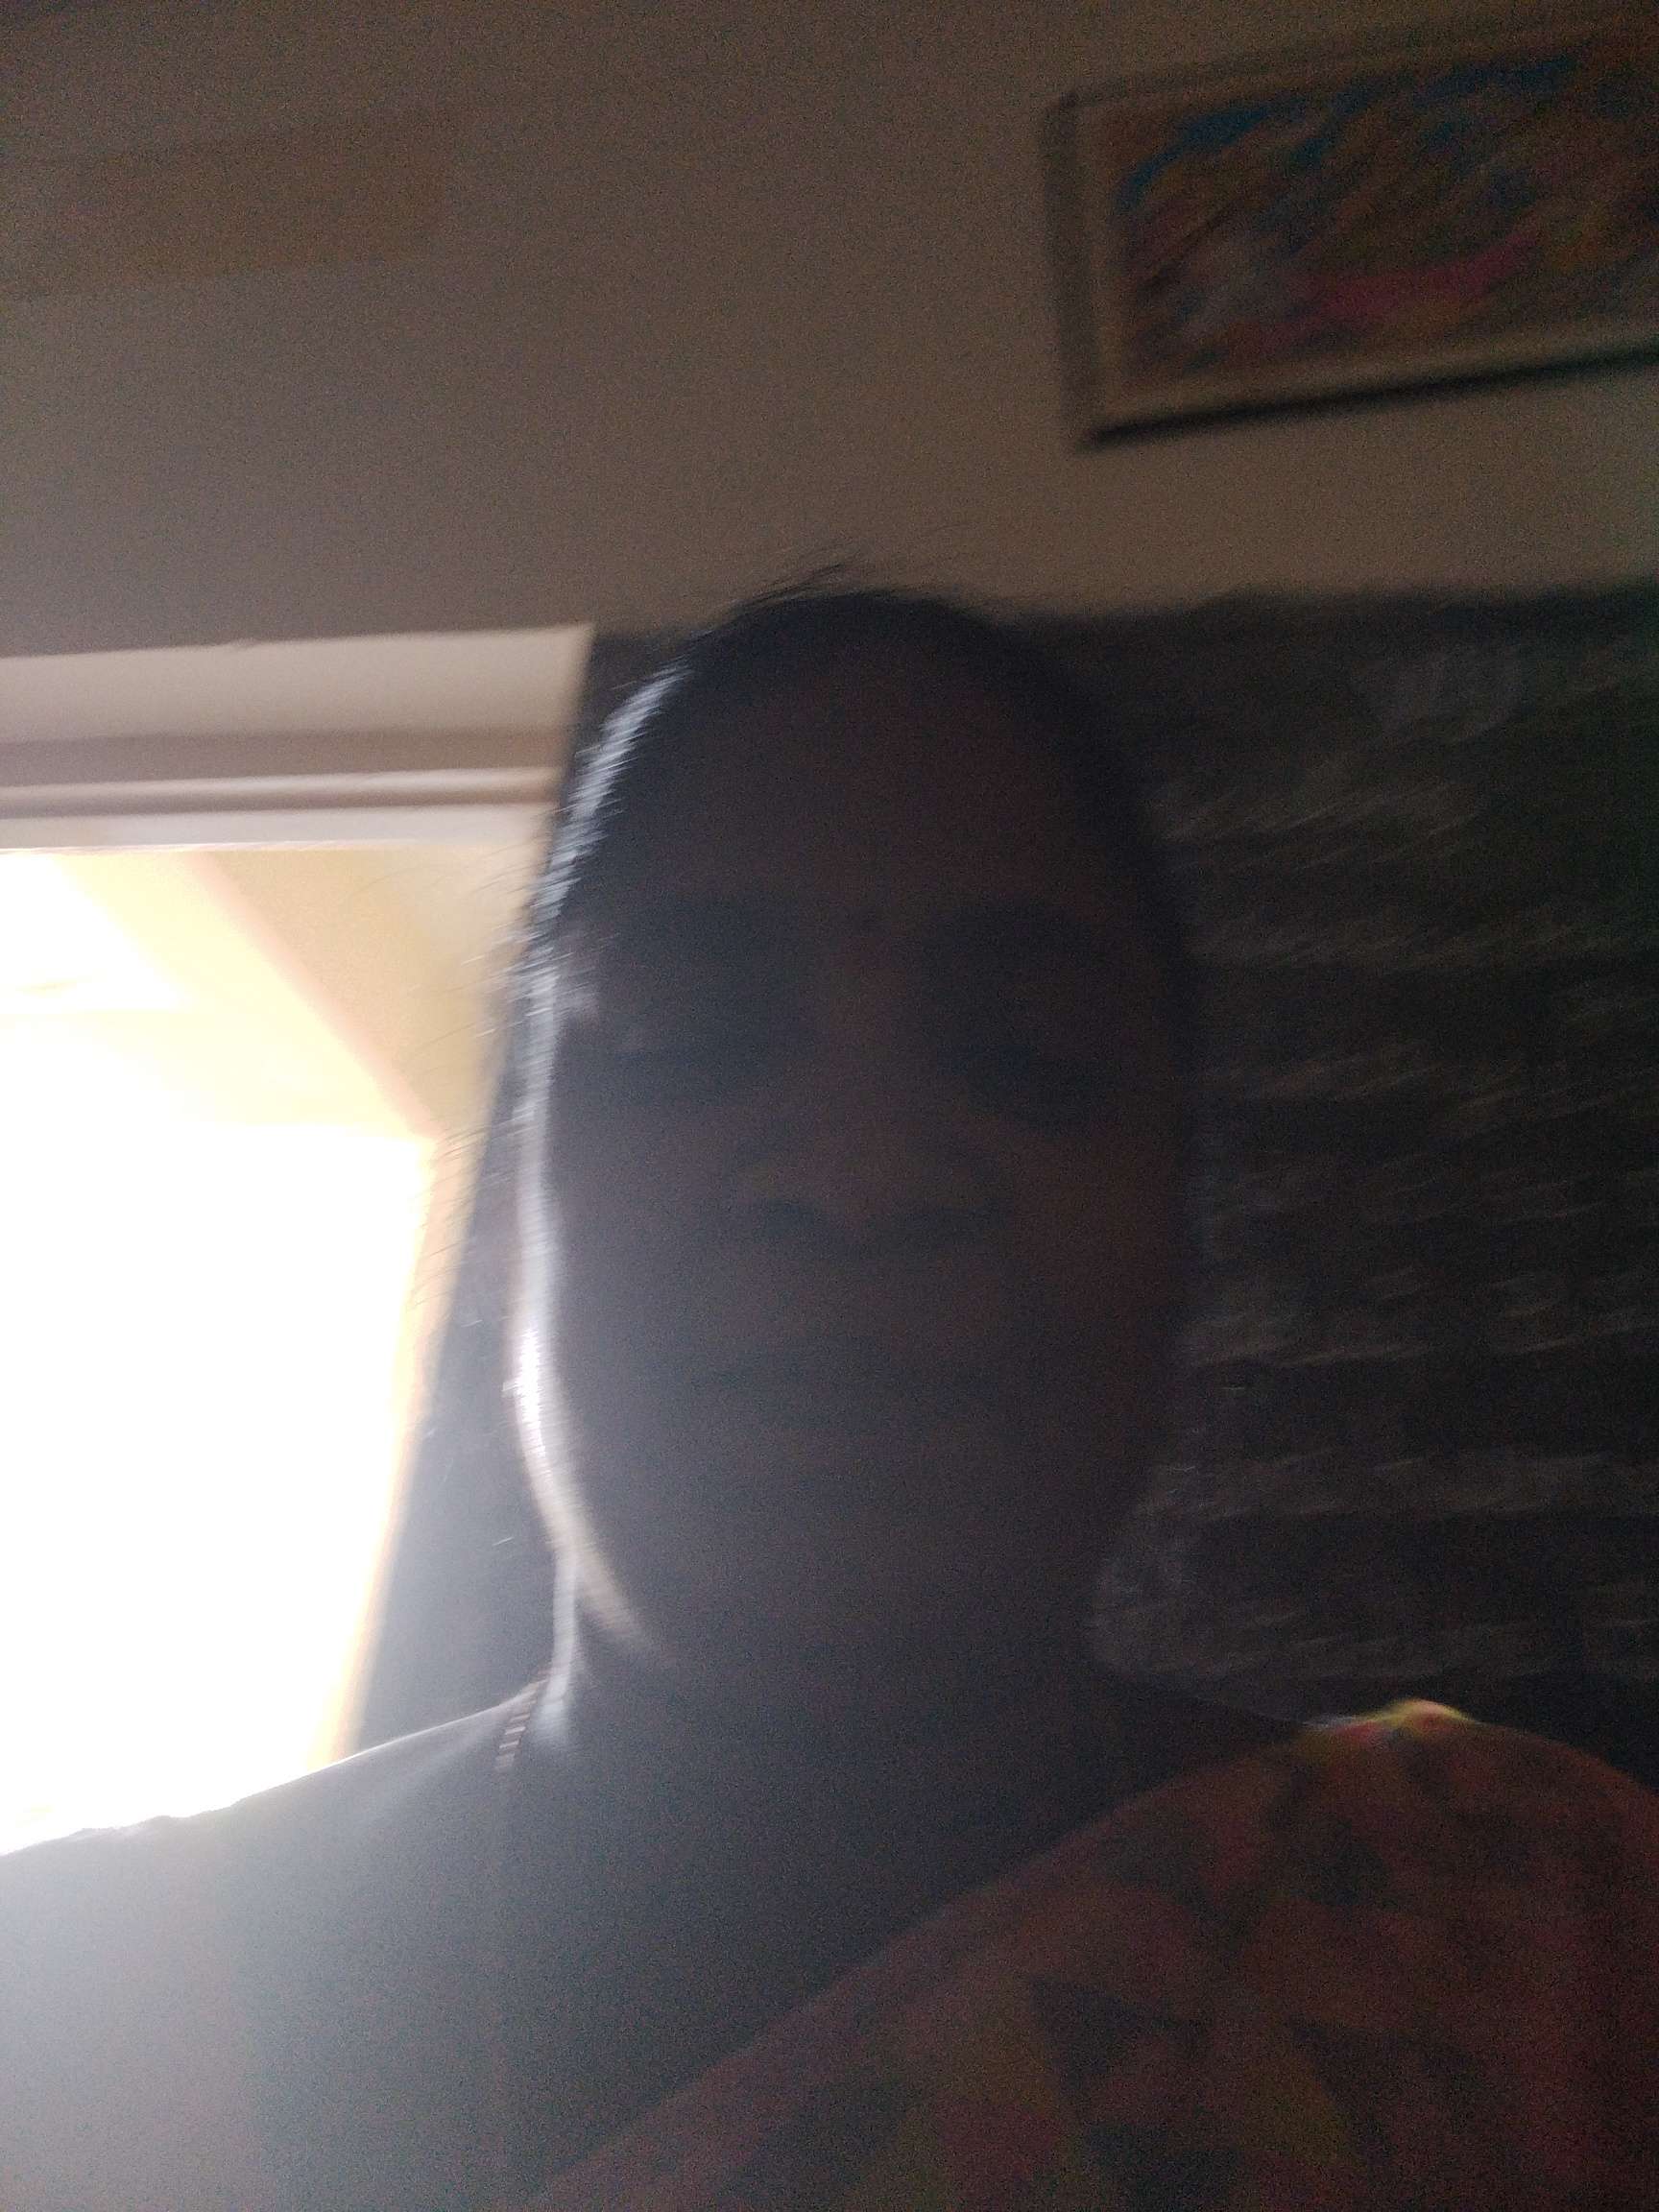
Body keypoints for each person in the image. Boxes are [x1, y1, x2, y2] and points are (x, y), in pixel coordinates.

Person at [2, 590, 1655, 2212]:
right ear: (505, 1214)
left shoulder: (1531, 1942)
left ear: (1186, 1231)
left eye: (1030, 1052)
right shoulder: (65, 2015)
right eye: (686, 1030)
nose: (860, 1174)